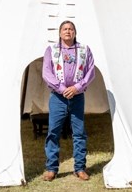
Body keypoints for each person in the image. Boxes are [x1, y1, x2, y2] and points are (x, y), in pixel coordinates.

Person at [41, 20, 96, 181]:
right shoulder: (51, 50)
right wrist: (62, 88)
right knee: (53, 132)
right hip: (58, 96)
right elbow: (47, 73)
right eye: (64, 29)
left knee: (79, 133)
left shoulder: (85, 50)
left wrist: (77, 87)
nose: (67, 31)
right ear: (59, 33)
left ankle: (80, 168)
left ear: (75, 32)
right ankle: (52, 168)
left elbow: (90, 72)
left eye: (71, 29)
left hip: (77, 96)